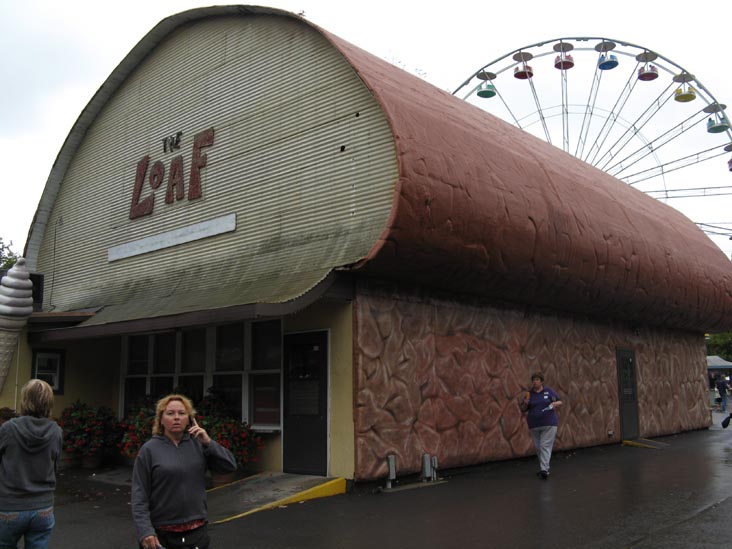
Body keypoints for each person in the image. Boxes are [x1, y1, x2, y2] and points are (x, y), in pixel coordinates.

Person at [132, 394, 236, 549]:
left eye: (182, 413)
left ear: (190, 419)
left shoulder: (199, 445)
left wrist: (208, 442)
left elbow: (229, 466)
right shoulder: (149, 449)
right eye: (170, 413)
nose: (176, 418)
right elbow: (139, 494)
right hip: (162, 533)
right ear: (160, 419)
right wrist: (145, 531)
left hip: (196, 532)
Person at [0, 379, 63, 548]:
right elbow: (55, 465)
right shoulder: (56, 431)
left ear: (25, 400)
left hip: (10, 506)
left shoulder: (8, 429)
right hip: (43, 507)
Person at [519, 372, 563, 480]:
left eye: (537, 379)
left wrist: (555, 404)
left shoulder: (549, 391)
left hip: (549, 423)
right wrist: (525, 403)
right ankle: (544, 468)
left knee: (544, 445)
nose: (535, 382)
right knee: (539, 447)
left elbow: (559, 401)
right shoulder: (529, 394)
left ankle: (544, 469)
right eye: (533, 380)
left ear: (542, 381)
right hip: (534, 425)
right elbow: (523, 409)